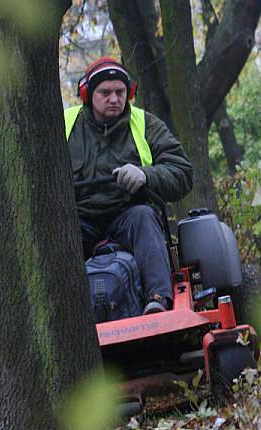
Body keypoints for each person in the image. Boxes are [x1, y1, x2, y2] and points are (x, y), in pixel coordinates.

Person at [64, 57, 193, 314]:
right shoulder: (64, 125)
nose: (114, 99)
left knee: (144, 216)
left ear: (129, 93)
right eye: (105, 92)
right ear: (87, 94)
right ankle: (65, 315)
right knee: (59, 232)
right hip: (80, 220)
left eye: (119, 92)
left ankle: (158, 301)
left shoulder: (147, 125)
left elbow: (183, 173)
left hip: (128, 216)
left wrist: (146, 175)